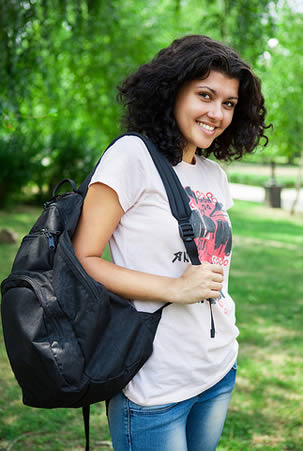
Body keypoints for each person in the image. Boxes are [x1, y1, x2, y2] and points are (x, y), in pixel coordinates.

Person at [72, 35, 269, 451]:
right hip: (153, 381)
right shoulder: (132, 156)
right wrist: (174, 288)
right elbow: (84, 258)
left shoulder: (213, 174)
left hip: (216, 369)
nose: (217, 113)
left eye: (229, 104)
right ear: (172, 89)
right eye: (205, 95)